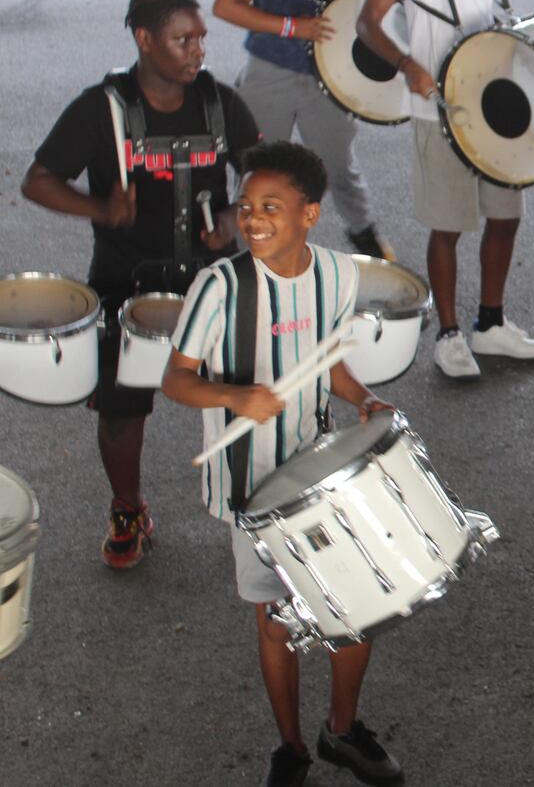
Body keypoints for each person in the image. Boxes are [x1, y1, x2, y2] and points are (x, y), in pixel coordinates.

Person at [163, 141, 402, 787]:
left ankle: (341, 730)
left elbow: (328, 358)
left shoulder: (337, 274)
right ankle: (291, 744)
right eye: (246, 206)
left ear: (311, 214)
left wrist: (364, 396)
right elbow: (176, 380)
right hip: (249, 485)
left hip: (318, 468)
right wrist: (234, 395)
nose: (253, 217)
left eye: (271, 205)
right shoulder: (220, 285)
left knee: (359, 603)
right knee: (277, 620)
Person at [21, 0, 260, 568]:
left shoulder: (221, 103)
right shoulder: (100, 109)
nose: (197, 50)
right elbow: (38, 180)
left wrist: (233, 216)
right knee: (122, 408)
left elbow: (265, 173)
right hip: (126, 282)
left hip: (213, 282)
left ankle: (258, 507)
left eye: (201, 38)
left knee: (250, 396)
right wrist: (100, 209)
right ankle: (127, 507)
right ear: (145, 39)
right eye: (183, 40)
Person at [356, 0, 534, 380]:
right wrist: (407, 64)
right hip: (439, 109)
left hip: (493, 103)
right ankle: (448, 333)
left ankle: (491, 323)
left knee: (506, 216)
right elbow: (368, 23)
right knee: (448, 224)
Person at [212, 0, 395, 261]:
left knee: (338, 164)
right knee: (255, 167)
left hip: (329, 76)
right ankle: (246, 254)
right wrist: (293, 27)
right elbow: (225, 5)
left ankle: (364, 234)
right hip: (270, 70)